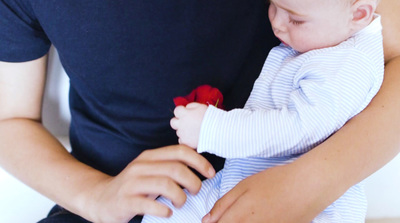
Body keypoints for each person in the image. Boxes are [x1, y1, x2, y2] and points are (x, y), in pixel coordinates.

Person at [0, 1, 398, 223]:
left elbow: (389, 48)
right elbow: (10, 121)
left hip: (288, 198)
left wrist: (309, 184)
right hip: (110, 201)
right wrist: (94, 196)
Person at [142, 0, 383, 222]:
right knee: (164, 212)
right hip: (241, 177)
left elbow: (297, 127)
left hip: (309, 206)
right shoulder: (332, 32)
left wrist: (212, 129)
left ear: (359, 15)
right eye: (272, 5)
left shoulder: (350, 64)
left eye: (296, 19)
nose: (277, 23)